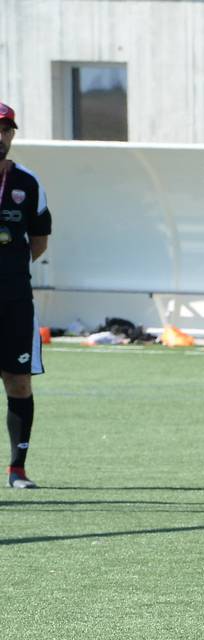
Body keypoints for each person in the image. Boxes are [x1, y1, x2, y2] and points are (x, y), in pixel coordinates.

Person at [0, 103, 50, 489]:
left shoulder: (28, 183)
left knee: (19, 382)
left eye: (6, 129)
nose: (1, 136)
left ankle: (17, 469)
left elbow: (39, 241)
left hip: (15, 302)